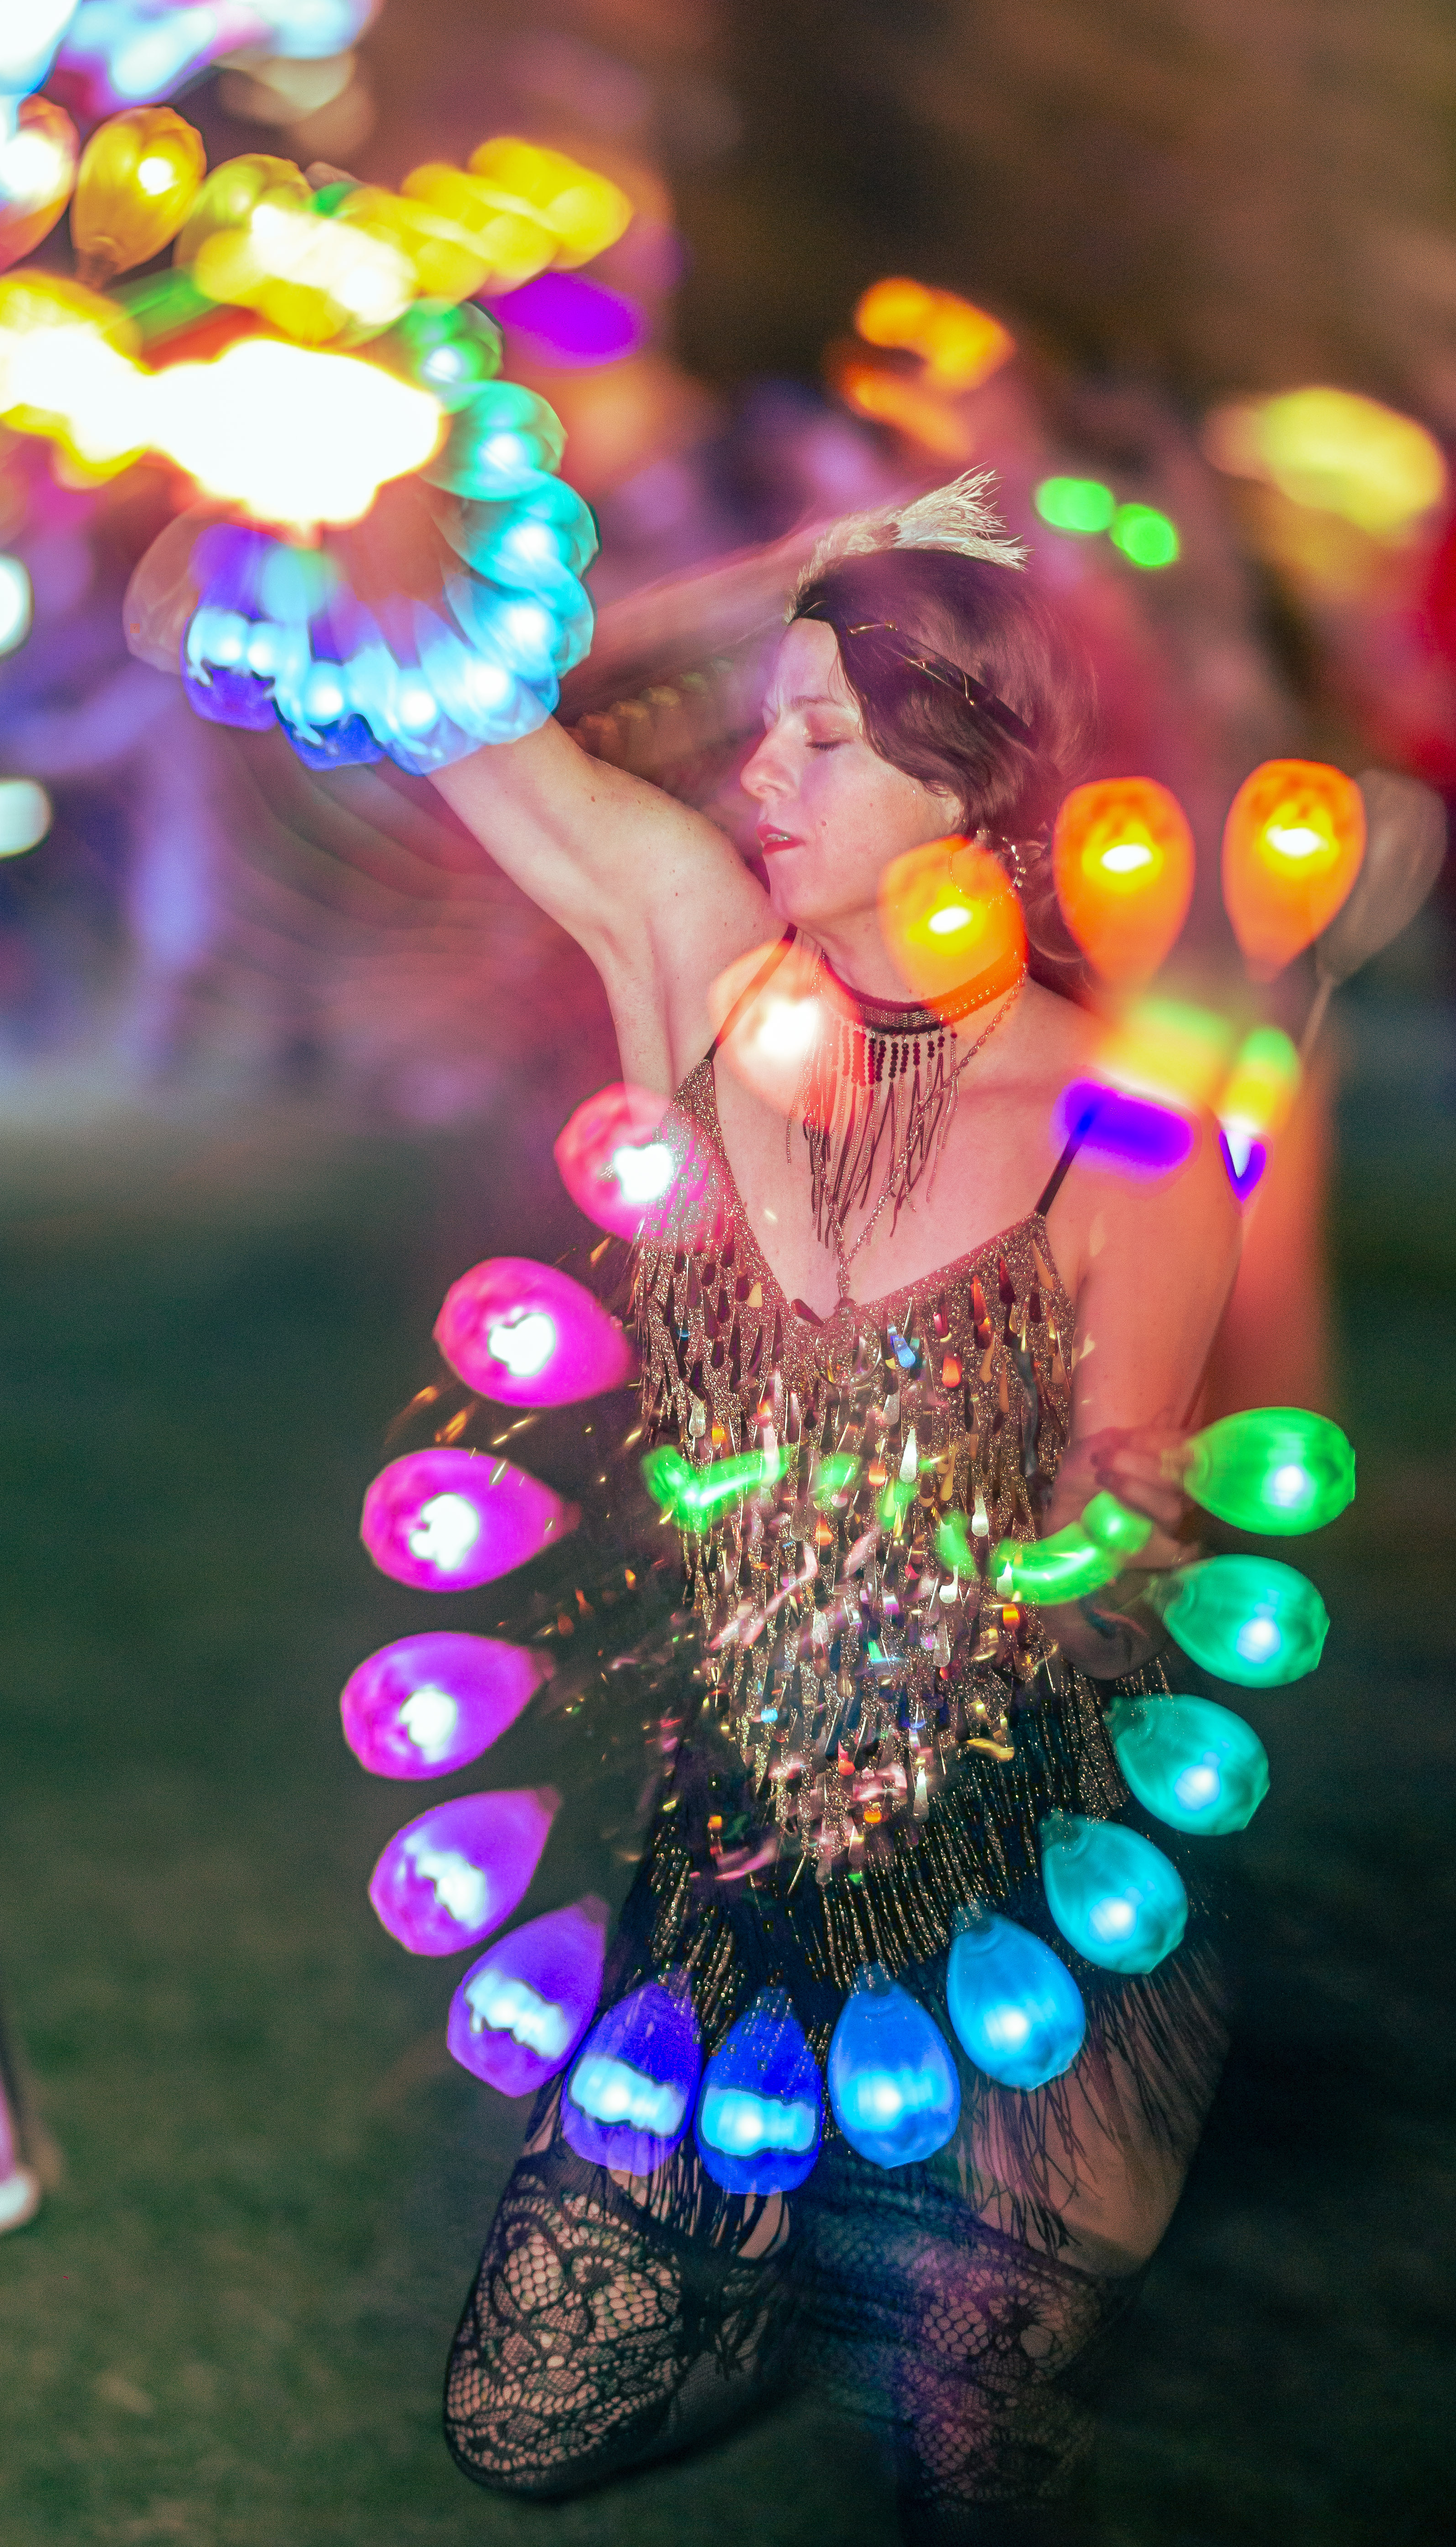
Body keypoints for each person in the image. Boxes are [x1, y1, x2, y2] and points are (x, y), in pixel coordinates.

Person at [429, 477, 1241, 2540]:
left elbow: (1123, 1570)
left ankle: (902, 2219)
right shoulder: (708, 973)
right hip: (718, 1865)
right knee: (519, 2421)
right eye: (763, 720)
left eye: (823, 735)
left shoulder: (1119, 1138)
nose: (757, 768)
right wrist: (715, 589)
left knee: (970, 2471)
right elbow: (404, 685)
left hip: (1007, 1899)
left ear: (974, 788)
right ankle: (760, 2256)